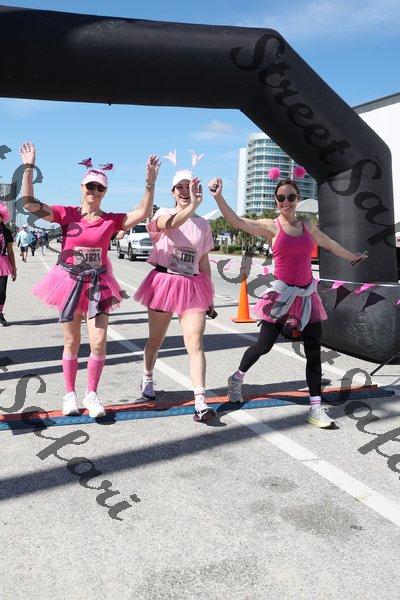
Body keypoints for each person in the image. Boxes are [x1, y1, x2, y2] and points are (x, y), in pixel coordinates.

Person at [209, 176, 367, 429]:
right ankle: (237, 378)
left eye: (290, 197)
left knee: (313, 351)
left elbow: (329, 243)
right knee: (263, 346)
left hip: (306, 296)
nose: (286, 202)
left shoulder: (307, 225)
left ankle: (315, 407)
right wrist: (218, 197)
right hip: (281, 296)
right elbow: (237, 221)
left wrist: (353, 257)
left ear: (297, 199)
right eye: (281, 198)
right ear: (276, 200)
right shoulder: (271, 227)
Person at [20, 141, 160, 418]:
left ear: (105, 192)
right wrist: (28, 168)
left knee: (98, 342)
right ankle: (70, 393)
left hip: (99, 284)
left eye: (100, 188)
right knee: (71, 342)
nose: (94, 191)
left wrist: (149, 182)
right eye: (90, 186)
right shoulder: (67, 214)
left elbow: (143, 213)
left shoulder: (111, 220)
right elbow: (30, 205)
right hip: (69, 282)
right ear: (82, 187)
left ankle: (92, 393)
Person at [134, 170, 215, 423]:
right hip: (164, 282)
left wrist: (210, 295)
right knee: (156, 340)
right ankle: (147, 376)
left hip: (192, 285)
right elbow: (171, 225)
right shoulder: (163, 213)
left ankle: (200, 401)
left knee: (195, 342)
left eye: (188, 186)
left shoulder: (204, 225)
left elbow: (203, 261)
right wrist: (192, 206)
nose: (184, 191)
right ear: (172, 192)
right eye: (179, 187)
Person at [0, 203, 17, 326]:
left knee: (1, 292)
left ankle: (0, 314)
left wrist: (14, 268)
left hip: (2, 264)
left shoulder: (6, 232)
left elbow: (10, 251)